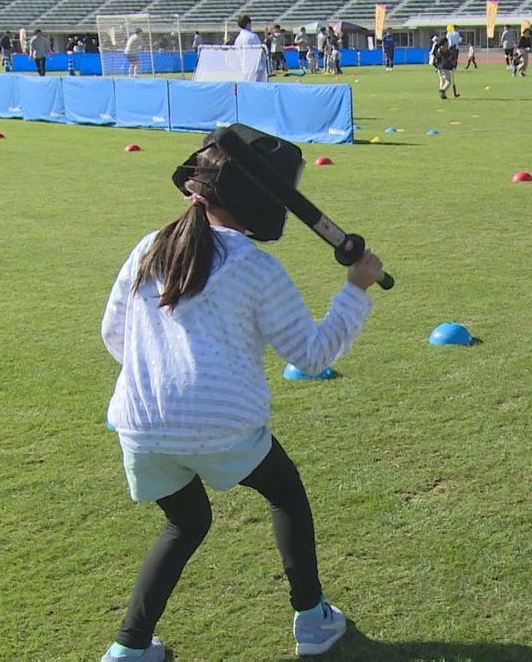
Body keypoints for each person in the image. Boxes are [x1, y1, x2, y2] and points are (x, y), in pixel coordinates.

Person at [98, 130, 384, 661]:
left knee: (186, 520)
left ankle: (128, 649)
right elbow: (312, 355)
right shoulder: (255, 267)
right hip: (221, 424)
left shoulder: (148, 245)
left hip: (138, 425)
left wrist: (162, 382)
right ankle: (314, 621)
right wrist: (355, 289)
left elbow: (114, 335)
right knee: (285, 494)